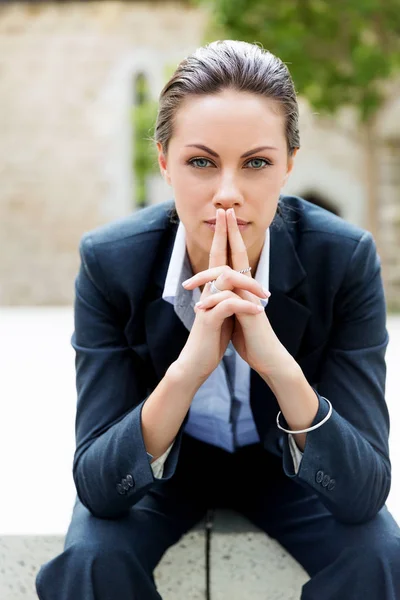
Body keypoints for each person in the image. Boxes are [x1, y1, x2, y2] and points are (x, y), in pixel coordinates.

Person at [35, 39, 400, 599]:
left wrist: (278, 365)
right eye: (201, 162)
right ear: (164, 160)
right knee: (91, 559)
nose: (227, 194)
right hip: (169, 460)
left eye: (256, 163)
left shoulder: (343, 258)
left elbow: (363, 491)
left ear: (289, 166)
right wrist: (188, 370)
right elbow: (100, 487)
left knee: (382, 558)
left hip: (285, 463)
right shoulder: (112, 262)